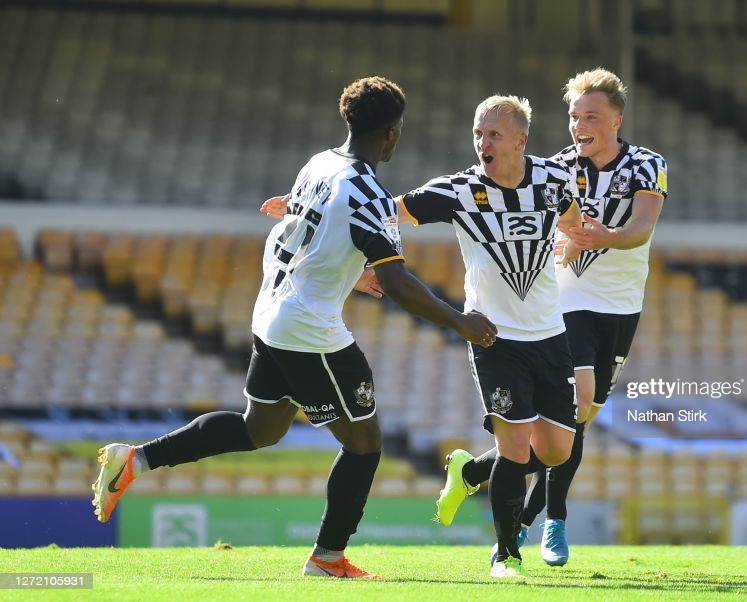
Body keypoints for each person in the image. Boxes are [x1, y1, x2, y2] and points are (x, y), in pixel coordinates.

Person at [90, 76, 498, 580]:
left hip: (272, 313)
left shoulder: (319, 163)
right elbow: (397, 280)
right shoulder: (369, 193)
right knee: (365, 444)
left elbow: (316, 234)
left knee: (257, 429)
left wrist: (355, 273)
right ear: (392, 133)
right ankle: (327, 559)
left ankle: (135, 460)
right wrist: (460, 320)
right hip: (310, 329)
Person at [261, 94, 583, 578]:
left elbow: (572, 220)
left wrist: (572, 249)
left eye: (493, 134)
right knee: (516, 449)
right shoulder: (459, 190)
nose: (482, 142)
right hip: (495, 337)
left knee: (558, 449)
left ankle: (470, 471)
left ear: (522, 141)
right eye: (478, 133)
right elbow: (383, 210)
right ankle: (505, 555)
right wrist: (314, 206)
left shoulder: (555, 179)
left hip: (550, 334)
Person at [437, 68, 668, 568]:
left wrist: (593, 235)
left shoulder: (647, 165)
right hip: (564, 305)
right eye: (573, 116)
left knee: (567, 433)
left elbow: (642, 229)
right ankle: (550, 524)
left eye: (591, 116)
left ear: (615, 120)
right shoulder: (556, 168)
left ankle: (475, 475)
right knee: (579, 399)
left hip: (621, 307)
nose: (579, 125)